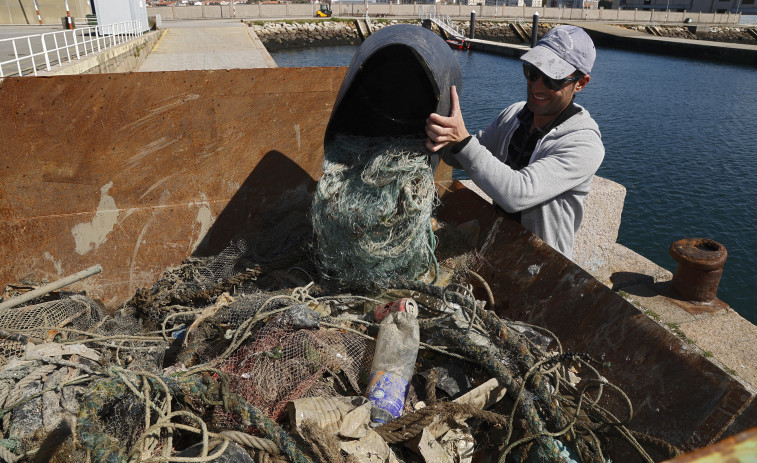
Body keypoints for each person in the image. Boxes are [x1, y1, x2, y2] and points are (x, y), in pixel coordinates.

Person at [425, 25, 604, 259]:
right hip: (498, 240)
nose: (537, 85)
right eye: (532, 71)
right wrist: (438, 130)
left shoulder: (583, 144)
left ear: (581, 83)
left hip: (541, 264)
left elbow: (517, 194)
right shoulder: (514, 114)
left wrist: (461, 140)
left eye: (553, 79)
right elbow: (468, 155)